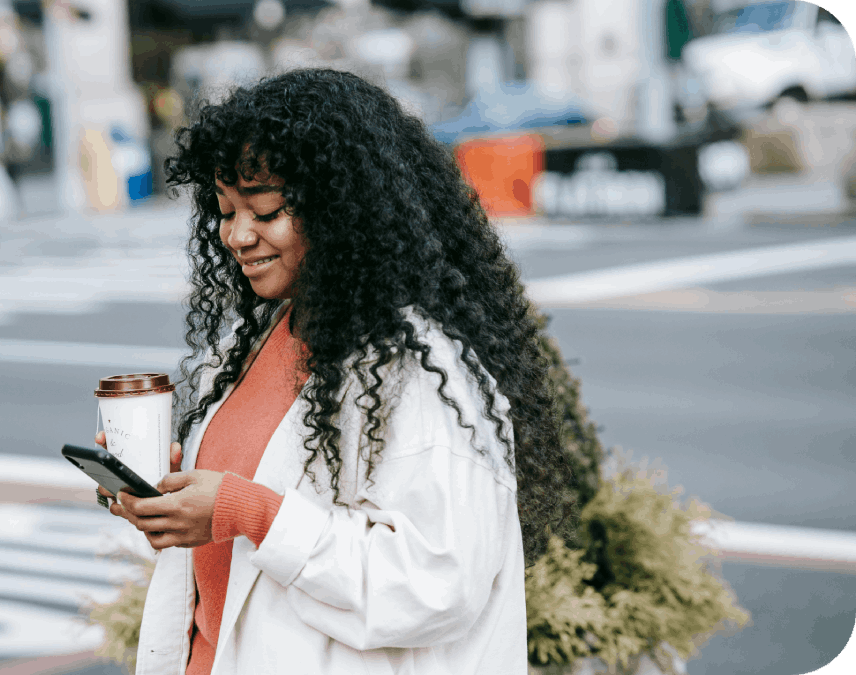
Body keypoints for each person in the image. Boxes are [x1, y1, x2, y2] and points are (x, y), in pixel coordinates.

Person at [94, 67, 576, 675]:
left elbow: (437, 586)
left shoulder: (422, 374)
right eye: (224, 210)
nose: (237, 236)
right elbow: (229, 538)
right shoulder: (253, 343)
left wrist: (250, 512)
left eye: (265, 211)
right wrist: (161, 497)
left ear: (342, 212)